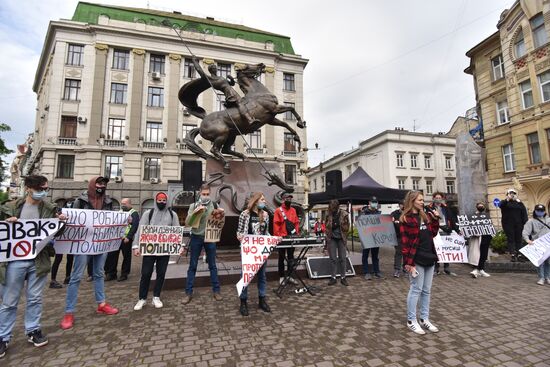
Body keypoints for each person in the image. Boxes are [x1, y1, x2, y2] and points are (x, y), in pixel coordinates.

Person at [0, 175, 66, 358]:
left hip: (38, 260)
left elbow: (55, 233)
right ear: (28, 188)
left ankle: (33, 330)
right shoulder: (9, 207)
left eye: (45, 189)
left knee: (35, 298)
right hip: (14, 260)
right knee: (9, 300)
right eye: (40, 189)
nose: (43, 192)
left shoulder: (50, 208)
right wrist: (7, 224)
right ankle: (3, 337)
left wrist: (61, 222)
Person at [60, 176, 119, 330]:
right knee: (76, 276)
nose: (102, 186)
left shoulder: (108, 202)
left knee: (99, 273)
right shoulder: (81, 201)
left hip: (101, 243)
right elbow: (73, 220)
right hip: (83, 244)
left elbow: (112, 220)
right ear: (93, 185)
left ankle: (102, 304)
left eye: (104, 184)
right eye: (99, 183)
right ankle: (69, 312)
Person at [400, 190, 440, 335]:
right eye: (420, 200)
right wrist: (408, 264)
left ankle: (424, 319)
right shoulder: (406, 219)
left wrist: (435, 219)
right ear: (412, 201)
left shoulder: (425, 216)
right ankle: (411, 320)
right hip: (416, 259)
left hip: (429, 256)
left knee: (426, 290)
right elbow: (404, 244)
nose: (423, 202)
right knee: (416, 289)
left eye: (423, 200)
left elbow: (433, 233)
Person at [132, 192, 180, 310]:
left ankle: (156, 296)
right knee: (146, 273)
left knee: (161, 273)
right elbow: (140, 230)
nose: (162, 202)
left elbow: (177, 231)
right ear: (156, 200)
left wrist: (180, 245)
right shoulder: (148, 214)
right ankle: (142, 298)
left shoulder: (173, 215)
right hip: (150, 250)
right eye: (159, 200)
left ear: (167, 201)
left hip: (164, 250)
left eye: (164, 200)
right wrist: (136, 246)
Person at [183, 184, 224, 304]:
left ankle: (216, 291)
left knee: (212, 265)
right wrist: (194, 213)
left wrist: (221, 214)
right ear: (200, 193)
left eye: (207, 194)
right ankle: (188, 293)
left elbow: (219, 222)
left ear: (209, 194)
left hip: (210, 238)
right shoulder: (193, 205)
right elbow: (187, 223)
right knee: (193, 266)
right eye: (203, 194)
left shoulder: (215, 205)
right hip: (196, 237)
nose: (205, 196)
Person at [192, 57, 258, 125]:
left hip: (231, 91)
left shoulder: (220, 77)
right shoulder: (210, 79)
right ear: (211, 70)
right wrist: (194, 61)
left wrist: (231, 79)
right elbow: (199, 70)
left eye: (215, 68)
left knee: (241, 104)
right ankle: (249, 119)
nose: (215, 69)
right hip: (229, 93)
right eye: (214, 68)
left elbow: (231, 84)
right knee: (240, 104)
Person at [236, 192, 272, 316]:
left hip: (261, 251)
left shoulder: (266, 215)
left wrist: (271, 239)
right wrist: (243, 240)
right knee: (246, 277)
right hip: (248, 251)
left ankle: (262, 300)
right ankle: (243, 302)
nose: (265, 201)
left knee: (262, 276)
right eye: (262, 199)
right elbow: (239, 232)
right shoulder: (244, 215)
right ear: (256, 201)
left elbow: (266, 232)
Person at [105, 198, 139, 282]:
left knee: (126, 257)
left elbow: (134, 226)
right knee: (112, 256)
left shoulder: (134, 213)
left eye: (124, 203)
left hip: (126, 239)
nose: (123, 205)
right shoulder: (119, 212)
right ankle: (112, 273)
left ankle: (124, 274)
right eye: (122, 203)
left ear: (129, 204)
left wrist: (129, 237)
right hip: (116, 238)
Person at [427, 192, 459, 276]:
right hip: (436, 230)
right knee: (436, 250)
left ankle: (446, 268)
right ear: (433, 198)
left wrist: (457, 230)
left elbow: (451, 219)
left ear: (442, 199)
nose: (438, 199)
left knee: (446, 249)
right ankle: (436, 268)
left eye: (439, 197)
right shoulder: (429, 208)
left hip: (446, 230)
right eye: (436, 197)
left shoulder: (445, 208)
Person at [273, 192, 300, 285]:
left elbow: (296, 222)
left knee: (291, 257)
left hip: (291, 237)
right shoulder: (278, 210)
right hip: (282, 237)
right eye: (287, 199)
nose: (289, 200)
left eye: (290, 199)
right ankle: (281, 277)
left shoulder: (293, 210)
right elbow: (276, 224)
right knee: (281, 257)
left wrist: (296, 233)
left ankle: (289, 276)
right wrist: (278, 236)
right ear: (283, 199)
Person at [522, 204, 550, 285]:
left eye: (542, 211)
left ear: (545, 211)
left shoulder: (549, 220)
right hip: (538, 244)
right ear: (535, 211)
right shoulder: (531, 221)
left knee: (548, 262)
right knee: (540, 262)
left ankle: (548, 277)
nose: (540, 212)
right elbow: (525, 232)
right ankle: (541, 277)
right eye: (538, 211)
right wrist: (528, 240)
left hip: (548, 244)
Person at [325, 199, 350, 286]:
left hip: (341, 238)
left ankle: (343, 277)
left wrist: (340, 226)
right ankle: (333, 277)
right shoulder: (328, 214)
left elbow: (347, 227)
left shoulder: (344, 214)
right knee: (333, 258)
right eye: (330, 207)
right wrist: (327, 234)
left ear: (337, 207)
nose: (331, 209)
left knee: (342, 258)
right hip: (332, 238)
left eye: (332, 208)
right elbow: (326, 225)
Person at [500, 188, 528, 262]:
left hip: (519, 224)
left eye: (514, 194)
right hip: (508, 224)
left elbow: (524, 214)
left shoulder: (519, 203)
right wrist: (507, 199)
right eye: (510, 194)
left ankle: (519, 254)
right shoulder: (505, 202)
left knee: (519, 239)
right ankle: (512, 254)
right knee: (511, 239)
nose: (512, 195)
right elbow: (500, 205)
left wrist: (526, 223)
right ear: (507, 194)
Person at [469, 202, 492, 278]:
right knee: (477, 254)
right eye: (479, 206)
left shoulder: (486, 216)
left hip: (486, 236)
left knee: (483, 253)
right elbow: (470, 227)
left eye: (482, 206)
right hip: (478, 237)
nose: (481, 207)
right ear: (476, 207)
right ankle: (476, 269)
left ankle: (481, 269)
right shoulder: (473, 216)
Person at [361, 197, 382, 280]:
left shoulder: (378, 213)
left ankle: (377, 271)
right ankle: (366, 272)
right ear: (369, 202)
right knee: (365, 255)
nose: (374, 203)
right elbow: (360, 224)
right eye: (373, 202)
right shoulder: (364, 212)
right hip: (366, 237)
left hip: (375, 237)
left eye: (375, 202)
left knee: (375, 255)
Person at [391, 201, 404, 278]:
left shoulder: (409, 213)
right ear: (399, 205)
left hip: (407, 237)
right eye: (402, 204)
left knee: (407, 253)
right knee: (398, 253)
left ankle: (406, 269)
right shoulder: (394, 214)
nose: (404, 206)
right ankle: (397, 269)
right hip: (398, 237)